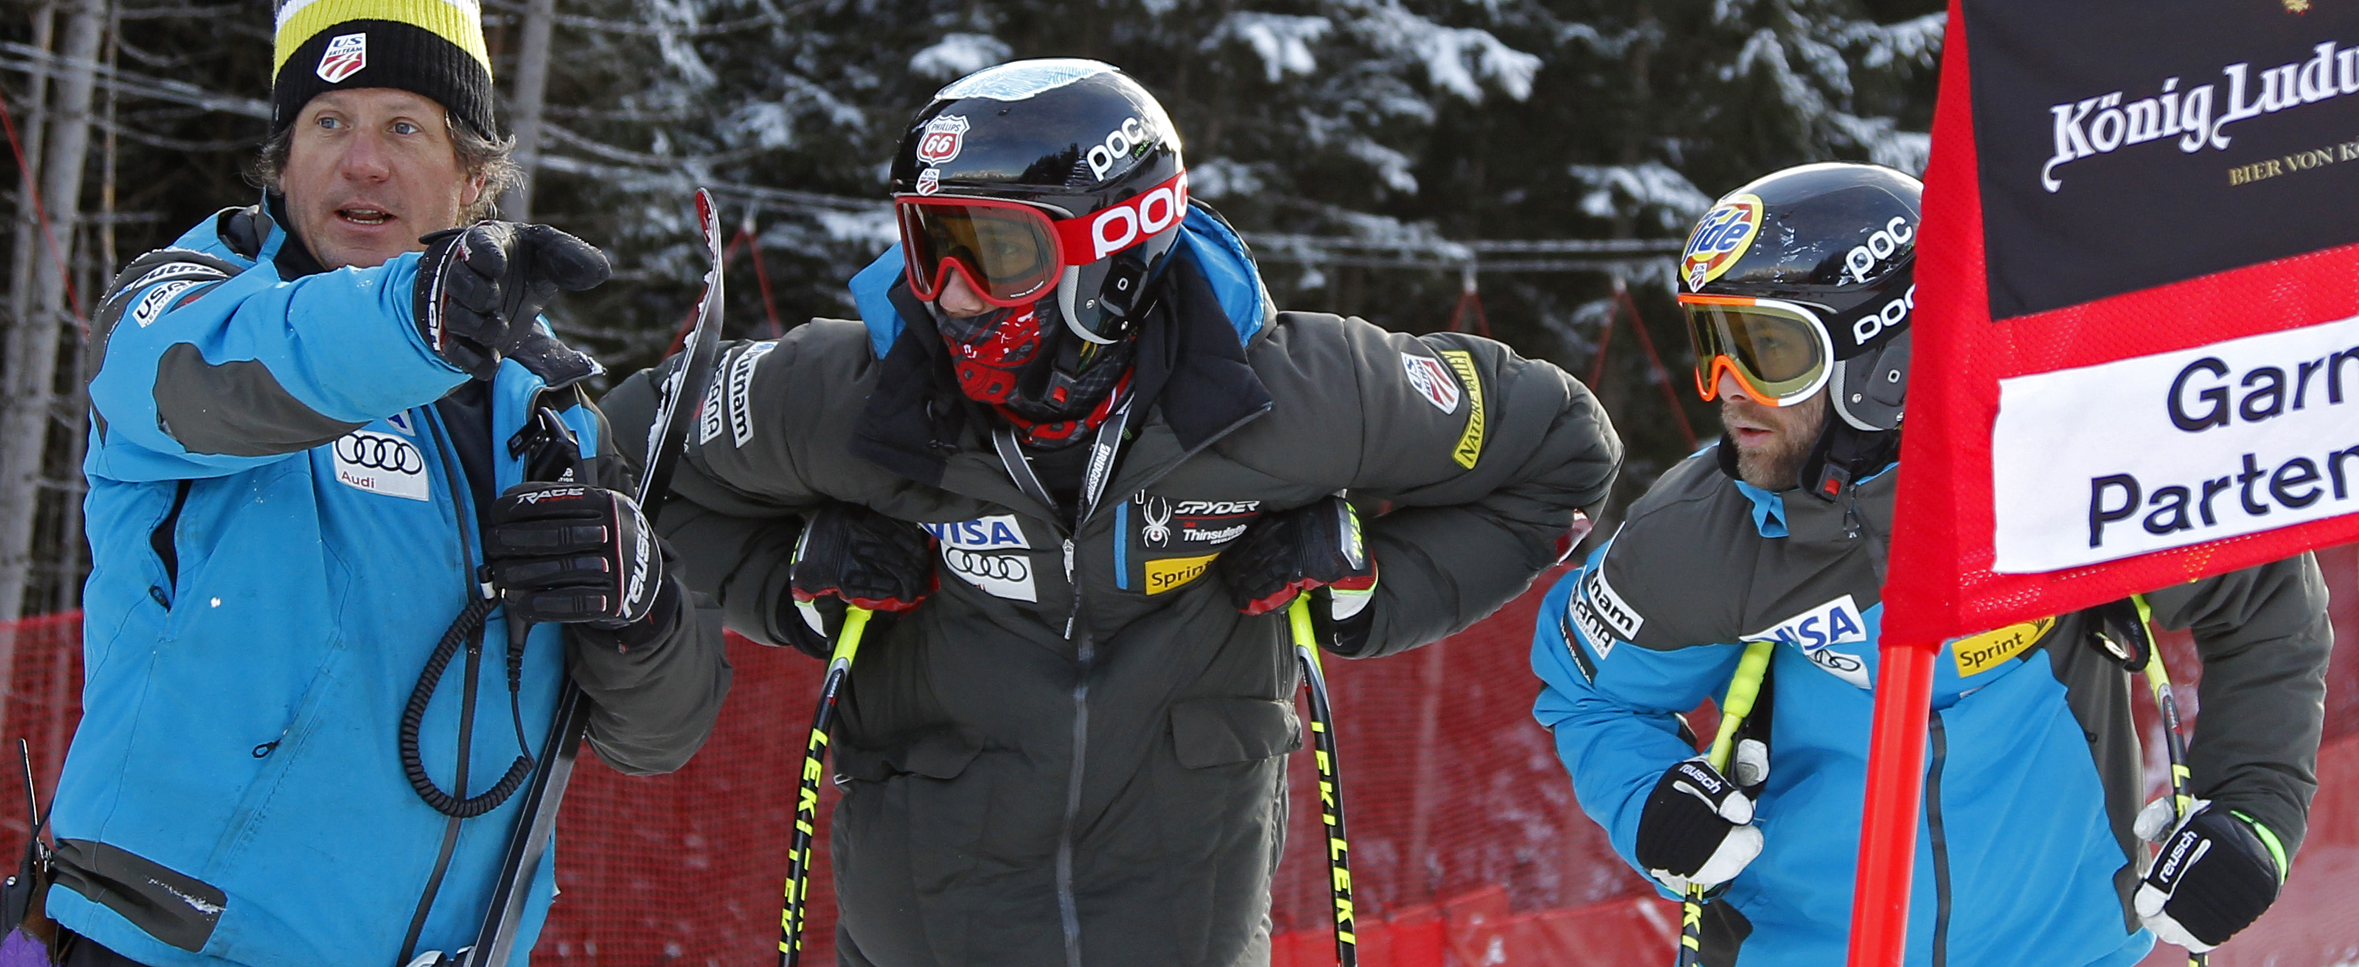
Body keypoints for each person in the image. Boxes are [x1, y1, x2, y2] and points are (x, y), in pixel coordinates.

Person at [606, 57, 1621, 967]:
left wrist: (1368, 585)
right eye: (930, 247)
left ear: (1116, 256)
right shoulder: (860, 393)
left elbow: (1562, 452)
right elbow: (632, 464)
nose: (952, 296)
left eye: (994, 253)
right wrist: (787, 584)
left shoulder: (1294, 394)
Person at [19, 0, 731, 967]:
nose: (363, 163)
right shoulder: (183, 308)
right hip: (171, 942)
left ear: (474, 175)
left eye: (404, 127)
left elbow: (661, 733)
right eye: (329, 125)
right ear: (283, 161)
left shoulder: (555, 420)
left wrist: (644, 615)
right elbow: (204, 383)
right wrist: (412, 313)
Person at [1530, 163, 2333, 967]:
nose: (1727, 391)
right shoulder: (1704, 535)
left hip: (2068, 950)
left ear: (1889, 357)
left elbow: (2265, 603)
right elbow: (1590, 697)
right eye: (1714, 347)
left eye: (1769, 352)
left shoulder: (2071, 475)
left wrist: (2252, 815)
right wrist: (1650, 803)